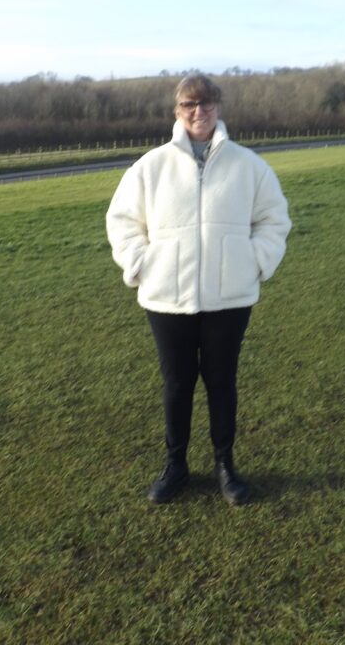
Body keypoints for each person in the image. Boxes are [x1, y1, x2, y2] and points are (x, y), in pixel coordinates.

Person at [106, 74, 291, 506]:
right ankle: (176, 466)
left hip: (230, 297)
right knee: (177, 383)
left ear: (218, 108)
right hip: (166, 297)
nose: (199, 111)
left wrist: (255, 262)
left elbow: (274, 221)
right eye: (190, 104)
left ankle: (225, 465)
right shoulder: (151, 167)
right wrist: (142, 265)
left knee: (222, 380)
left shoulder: (249, 166)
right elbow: (123, 222)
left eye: (206, 104)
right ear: (177, 110)